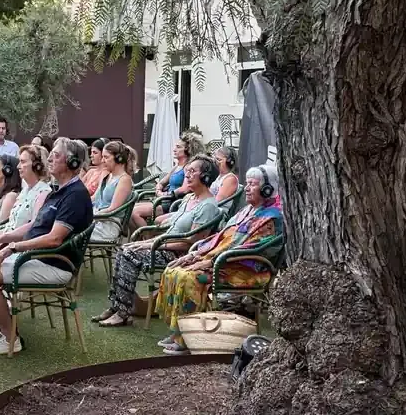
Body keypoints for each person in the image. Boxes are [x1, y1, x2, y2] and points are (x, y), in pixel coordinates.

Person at [0, 137, 94, 356]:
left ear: (72, 162)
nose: (50, 159)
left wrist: (12, 248)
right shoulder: (59, 190)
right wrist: (2, 238)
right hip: (36, 257)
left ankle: (10, 337)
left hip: (54, 264)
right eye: (51, 154)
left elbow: (54, 239)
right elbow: (34, 225)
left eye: (56, 155)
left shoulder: (75, 195)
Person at [155, 164, 284, 354]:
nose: (247, 188)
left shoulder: (271, 218)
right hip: (225, 263)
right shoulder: (246, 211)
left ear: (267, 189)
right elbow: (221, 237)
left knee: (190, 278)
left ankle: (189, 339)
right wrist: (195, 254)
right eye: (247, 183)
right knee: (172, 270)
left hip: (246, 270)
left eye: (253, 184)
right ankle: (179, 331)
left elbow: (248, 249)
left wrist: (209, 262)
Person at [92, 156, 221, 328]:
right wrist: (147, 242)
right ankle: (116, 307)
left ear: (205, 177)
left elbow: (191, 243)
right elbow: (169, 230)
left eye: (192, 171)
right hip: (165, 246)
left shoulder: (208, 206)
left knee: (129, 254)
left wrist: (152, 244)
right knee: (125, 248)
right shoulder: (189, 199)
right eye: (187, 171)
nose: (187, 175)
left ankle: (122, 313)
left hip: (179, 255)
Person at [0, 145, 52, 259]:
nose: (18, 166)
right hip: (4, 242)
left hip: (17, 250)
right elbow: (10, 227)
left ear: (37, 165)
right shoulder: (25, 191)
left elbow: (33, 226)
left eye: (23, 162)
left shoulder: (43, 192)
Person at [130, 130, 204, 231]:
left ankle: (148, 237)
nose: (174, 149)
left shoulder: (188, 167)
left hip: (173, 203)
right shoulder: (176, 167)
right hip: (163, 200)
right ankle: (141, 237)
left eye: (178, 147)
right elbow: (162, 182)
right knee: (129, 209)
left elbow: (185, 189)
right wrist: (159, 189)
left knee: (135, 213)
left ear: (188, 150)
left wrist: (166, 194)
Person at [91, 141, 137, 242]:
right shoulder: (108, 176)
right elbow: (94, 198)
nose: (102, 161)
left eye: (106, 157)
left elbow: (112, 209)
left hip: (108, 226)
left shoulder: (124, 180)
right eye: (102, 157)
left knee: (69, 233)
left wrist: (89, 217)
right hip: (97, 220)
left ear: (118, 158)